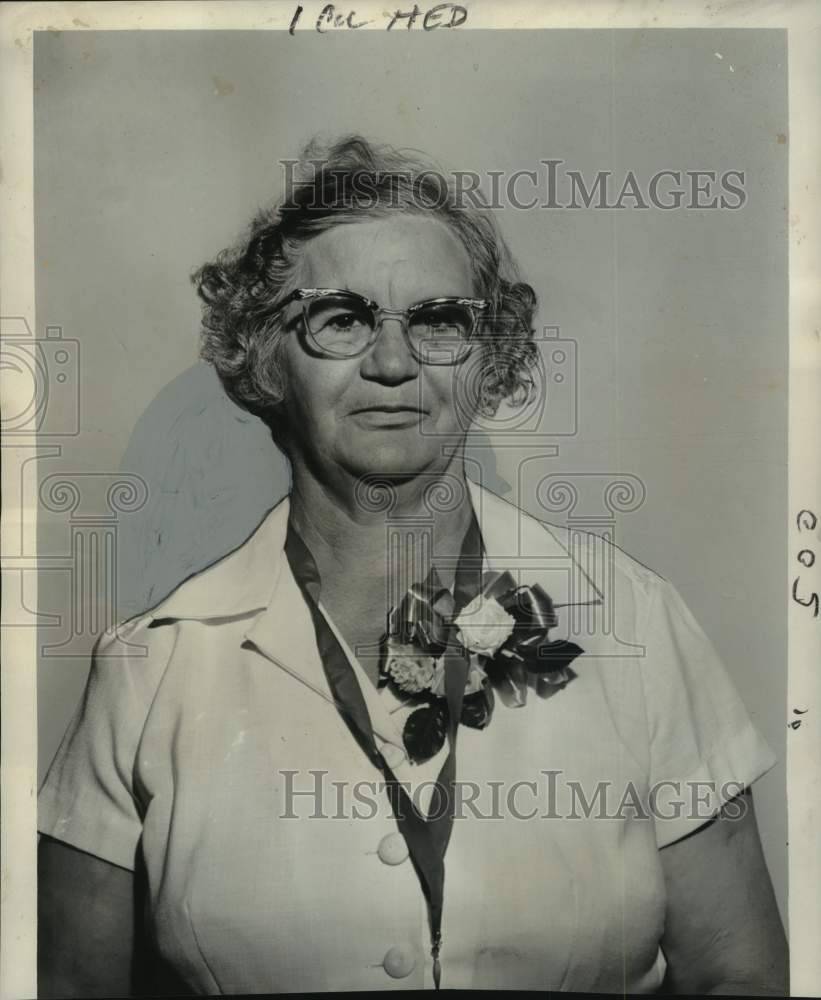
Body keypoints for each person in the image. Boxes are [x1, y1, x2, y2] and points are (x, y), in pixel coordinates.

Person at [38, 135, 788, 996]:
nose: (393, 363)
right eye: (341, 319)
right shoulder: (149, 669)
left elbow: (739, 976)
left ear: (487, 357)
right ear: (265, 356)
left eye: (437, 321)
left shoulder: (632, 620)